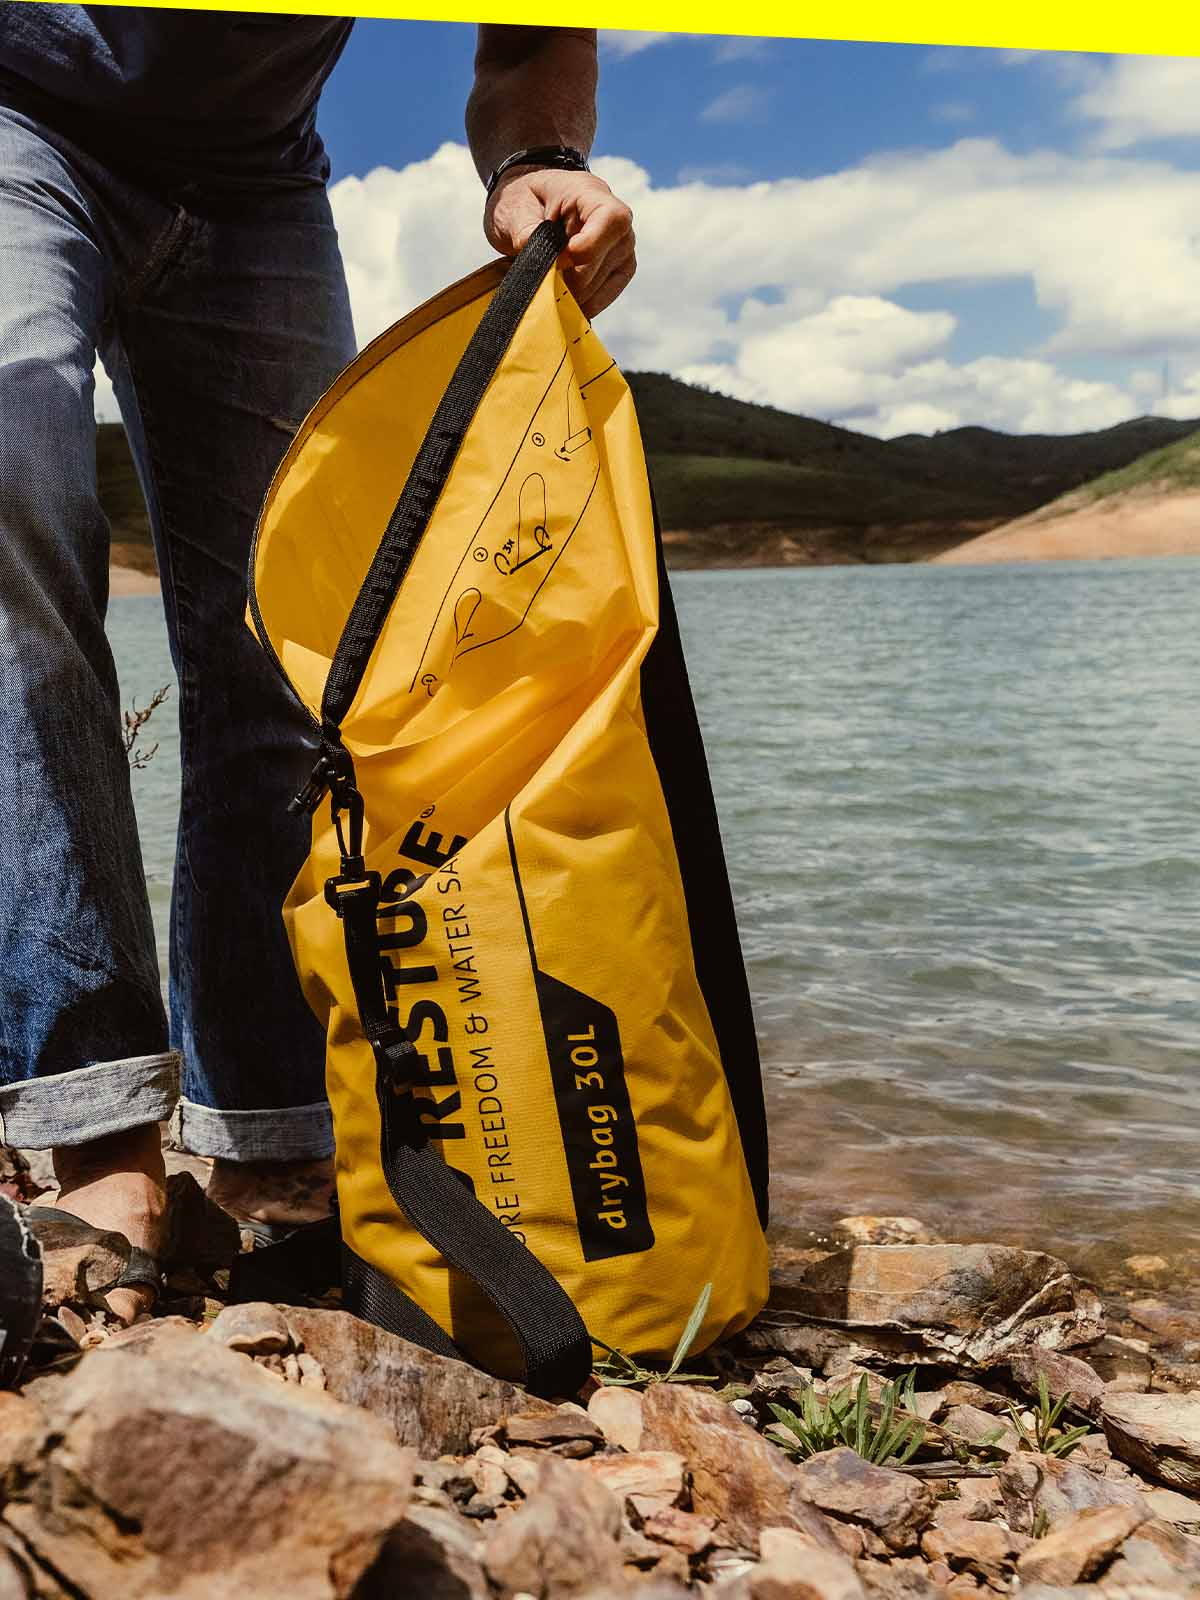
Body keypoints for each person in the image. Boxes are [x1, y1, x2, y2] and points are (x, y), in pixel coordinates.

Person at [0, 8, 636, 1323]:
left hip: (254, 179)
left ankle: (276, 1141)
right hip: (18, 113)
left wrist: (539, 161)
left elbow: (529, 43)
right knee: (13, 501)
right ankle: (103, 1153)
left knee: (289, 642)